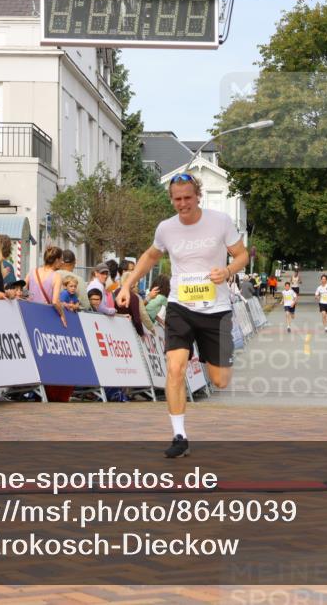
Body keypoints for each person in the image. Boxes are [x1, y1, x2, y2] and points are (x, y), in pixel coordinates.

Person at [117, 173, 248, 458]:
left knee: (220, 380)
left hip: (216, 309)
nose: (183, 203)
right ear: (171, 199)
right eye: (177, 199)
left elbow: (242, 255)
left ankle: (208, 352)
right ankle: (179, 436)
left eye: (188, 197)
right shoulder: (166, 228)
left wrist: (227, 271)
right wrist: (127, 285)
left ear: (198, 195)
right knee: (174, 368)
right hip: (180, 307)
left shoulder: (220, 221)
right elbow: (150, 256)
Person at [26, 246, 67, 326]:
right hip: (45, 315)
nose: (62, 262)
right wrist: (62, 314)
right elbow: (55, 301)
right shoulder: (56, 276)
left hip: (30, 313)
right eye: (61, 259)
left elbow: (21, 289)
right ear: (56, 260)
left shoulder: (32, 271)